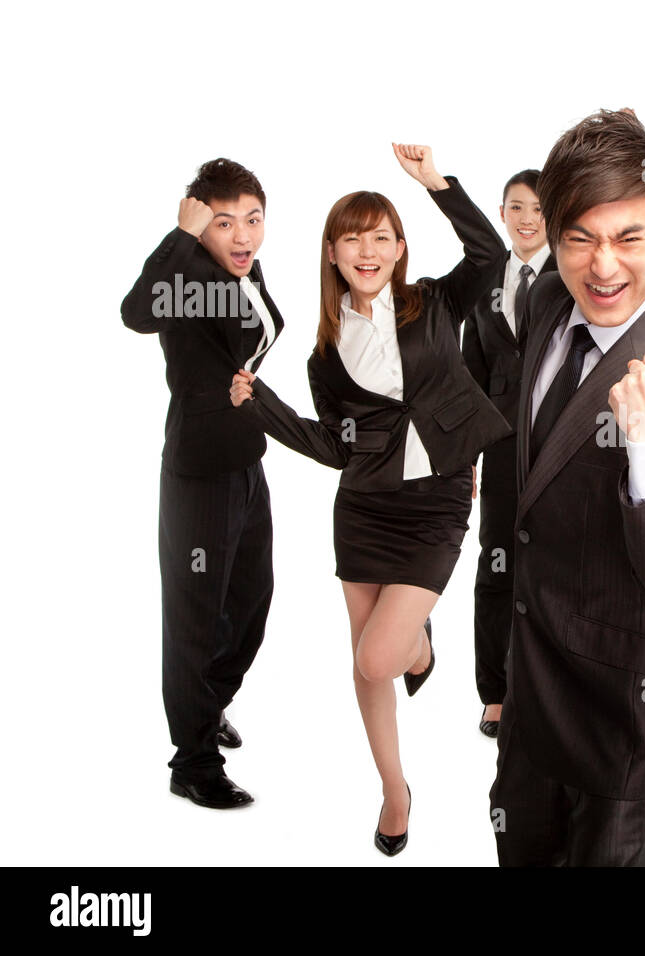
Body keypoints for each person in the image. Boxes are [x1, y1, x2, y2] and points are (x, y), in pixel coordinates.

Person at [230, 143, 510, 853]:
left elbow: (489, 253)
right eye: (352, 237)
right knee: (362, 663)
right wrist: (261, 406)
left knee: (382, 656)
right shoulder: (324, 354)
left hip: (439, 500)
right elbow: (336, 444)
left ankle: (417, 649)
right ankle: (394, 789)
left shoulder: (436, 303)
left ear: (399, 248)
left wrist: (435, 183)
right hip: (365, 510)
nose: (367, 248)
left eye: (380, 236)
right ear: (331, 251)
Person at [488, 109, 645, 866]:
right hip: (533, 698)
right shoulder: (544, 303)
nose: (602, 267)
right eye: (581, 238)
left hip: (622, 724)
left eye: (629, 239)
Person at [122, 158, 284, 810]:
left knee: (249, 603)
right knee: (193, 622)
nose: (243, 235)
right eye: (224, 223)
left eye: (253, 219)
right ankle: (192, 763)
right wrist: (180, 238)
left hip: (247, 462)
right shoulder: (189, 277)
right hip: (200, 476)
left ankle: (206, 702)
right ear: (199, 224)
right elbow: (135, 313)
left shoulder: (240, 270)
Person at [460, 169, 558, 738]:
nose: (526, 219)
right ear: (501, 213)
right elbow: (469, 372)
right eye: (516, 208)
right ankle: (494, 690)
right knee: (496, 562)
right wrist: (466, 459)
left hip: (554, 438)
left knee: (552, 565)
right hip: (499, 445)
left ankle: (546, 685)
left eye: (538, 210)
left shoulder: (568, 272)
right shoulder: (485, 279)